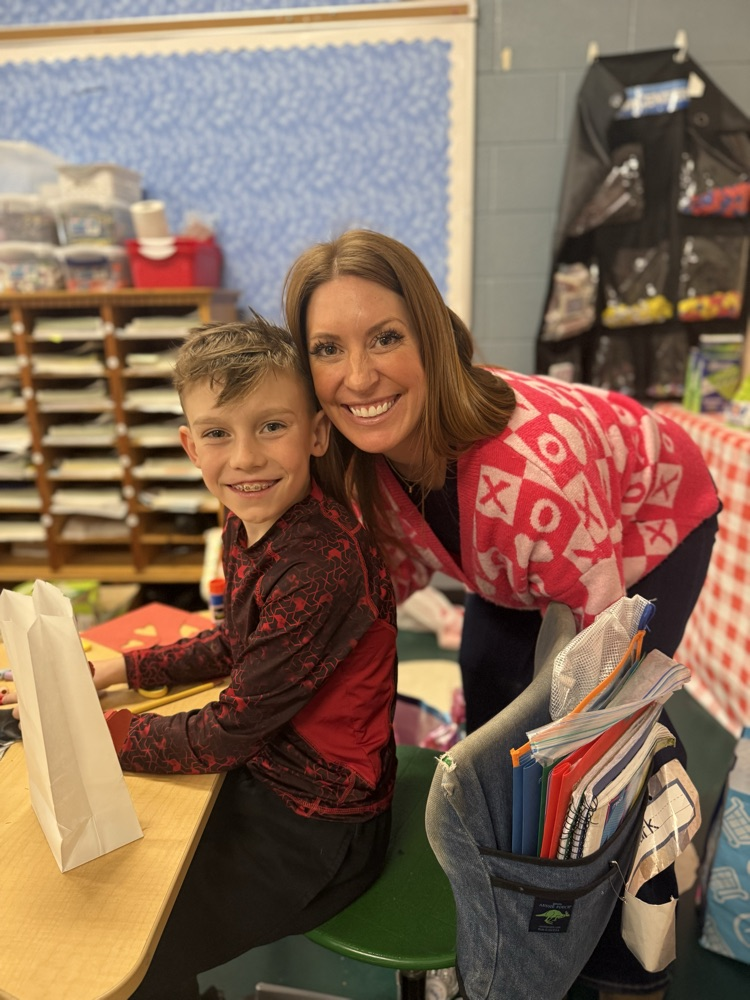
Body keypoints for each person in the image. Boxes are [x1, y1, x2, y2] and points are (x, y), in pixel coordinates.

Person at [283, 229, 721, 1000]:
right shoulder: (364, 457)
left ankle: (617, 939)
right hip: (520, 541)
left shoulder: (534, 480)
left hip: (651, 514)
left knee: (600, 740)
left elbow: (600, 692)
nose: (357, 376)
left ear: (430, 336)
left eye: (386, 337)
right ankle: (494, 890)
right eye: (327, 349)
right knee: (489, 696)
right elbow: (377, 604)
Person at [89, 317, 397, 999]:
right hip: (271, 779)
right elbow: (237, 641)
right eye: (220, 433)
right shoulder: (250, 519)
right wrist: (123, 671)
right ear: (190, 445)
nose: (247, 458)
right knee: (123, 864)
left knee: (132, 938)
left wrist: (101, 735)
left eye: (271, 427)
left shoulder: (316, 562)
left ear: (316, 433)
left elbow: (231, 730)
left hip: (321, 828)